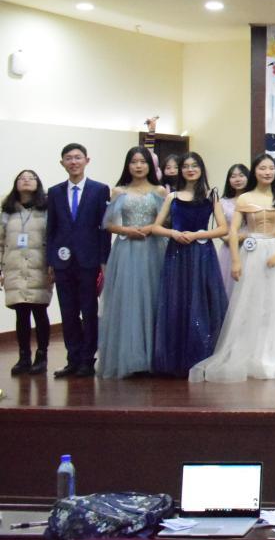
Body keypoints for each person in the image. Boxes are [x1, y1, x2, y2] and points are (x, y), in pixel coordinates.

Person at [189, 152, 275, 382]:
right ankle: (251, 350)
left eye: (271, 168)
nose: (267, 172)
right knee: (253, 300)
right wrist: (235, 260)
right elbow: (233, 230)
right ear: (255, 172)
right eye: (262, 168)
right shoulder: (245, 198)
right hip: (252, 252)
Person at [151, 153, 229, 377]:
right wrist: (173, 233)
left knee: (202, 303)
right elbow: (156, 227)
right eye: (185, 166)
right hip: (177, 254)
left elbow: (223, 228)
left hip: (202, 254)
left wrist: (196, 235)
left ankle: (202, 357)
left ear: (201, 169)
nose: (190, 169)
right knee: (177, 301)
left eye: (194, 165)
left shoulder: (211, 195)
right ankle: (176, 360)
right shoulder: (172, 196)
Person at [98, 147, 167, 379]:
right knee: (128, 300)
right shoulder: (119, 191)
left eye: (142, 162)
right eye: (134, 162)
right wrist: (127, 230)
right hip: (126, 250)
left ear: (150, 165)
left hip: (153, 248)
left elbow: (165, 220)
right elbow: (108, 223)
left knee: (153, 297)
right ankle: (130, 358)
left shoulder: (159, 190)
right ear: (128, 165)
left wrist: (148, 228)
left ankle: (154, 358)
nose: (138, 166)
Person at [45, 143, 112, 378]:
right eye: (68, 158)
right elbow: (51, 229)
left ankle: (87, 359)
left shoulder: (99, 189)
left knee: (89, 310)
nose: (73, 162)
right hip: (62, 261)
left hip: (89, 260)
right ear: (62, 163)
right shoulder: (54, 192)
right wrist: (50, 261)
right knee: (68, 311)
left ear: (86, 160)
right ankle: (72, 359)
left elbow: (104, 228)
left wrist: (104, 259)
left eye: (77, 157)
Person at [2, 170, 51, 375]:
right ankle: (24, 357)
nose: (26, 180)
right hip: (14, 267)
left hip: (39, 267)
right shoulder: (7, 210)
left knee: (39, 311)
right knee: (21, 313)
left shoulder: (47, 208)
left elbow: (53, 238)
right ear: (16, 183)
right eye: (22, 178)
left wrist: (53, 265)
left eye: (31, 177)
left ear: (38, 183)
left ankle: (42, 356)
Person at [216, 164, 249, 297]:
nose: (237, 179)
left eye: (241, 175)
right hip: (228, 250)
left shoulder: (254, 199)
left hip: (251, 247)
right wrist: (227, 238)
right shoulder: (222, 202)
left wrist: (244, 236)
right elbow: (220, 228)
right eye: (233, 176)